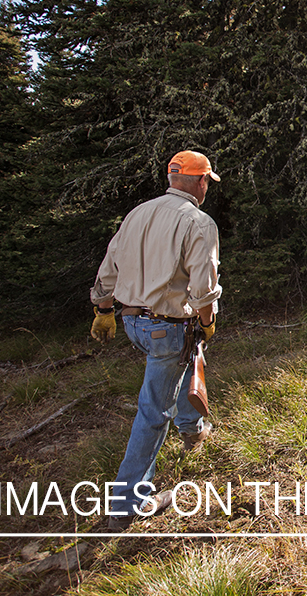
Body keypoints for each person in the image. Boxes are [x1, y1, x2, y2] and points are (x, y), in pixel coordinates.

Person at [89, 150, 222, 530]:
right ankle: (127, 503)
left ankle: (193, 429)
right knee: (152, 411)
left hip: (132, 323)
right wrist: (207, 322)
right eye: (206, 183)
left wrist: (102, 311)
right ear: (200, 182)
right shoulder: (199, 222)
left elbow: (108, 267)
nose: (206, 189)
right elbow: (203, 287)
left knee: (180, 363)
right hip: (167, 326)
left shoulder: (137, 214)